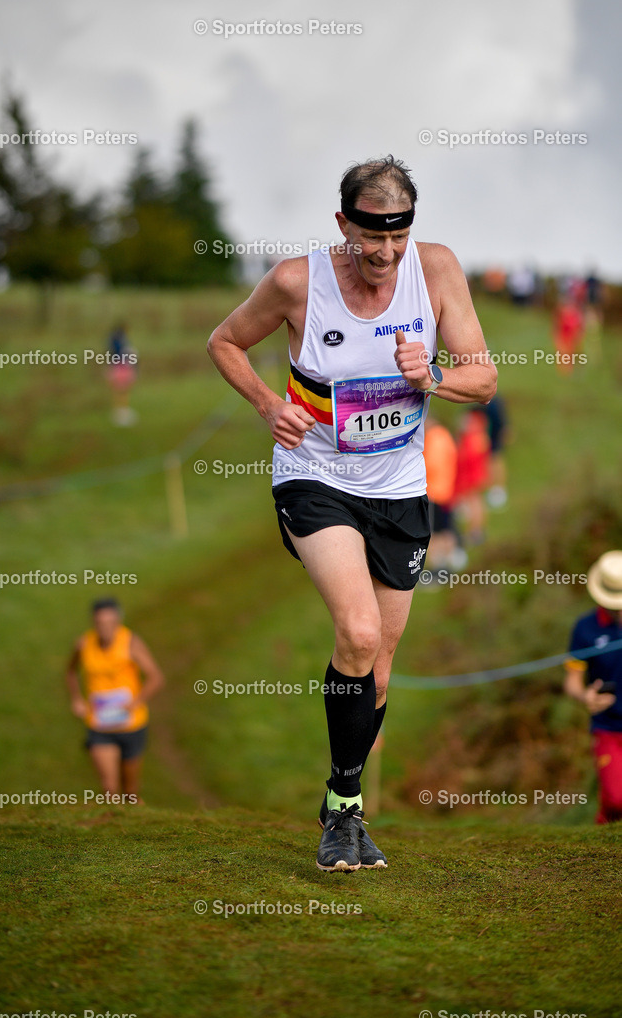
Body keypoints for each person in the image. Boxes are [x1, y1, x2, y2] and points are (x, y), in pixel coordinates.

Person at [207, 155, 497, 871]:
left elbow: (483, 378)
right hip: (316, 476)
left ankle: (347, 804)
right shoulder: (295, 283)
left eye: (399, 237)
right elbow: (225, 341)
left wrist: (429, 376)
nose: (387, 254)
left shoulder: (435, 272)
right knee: (359, 632)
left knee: (381, 664)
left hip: (397, 484)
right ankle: (340, 813)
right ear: (343, 224)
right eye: (373, 239)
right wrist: (268, 404)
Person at [65, 598, 165, 803]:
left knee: (130, 792)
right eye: (100, 623)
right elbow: (71, 672)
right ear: (93, 623)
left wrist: (135, 702)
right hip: (99, 725)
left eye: (110, 623)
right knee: (109, 789)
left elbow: (156, 677)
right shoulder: (84, 644)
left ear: (118, 621)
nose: (105, 629)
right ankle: (110, 829)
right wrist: (77, 699)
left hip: (131, 724)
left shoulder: (131, 643)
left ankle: (137, 827)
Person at [564, 551, 622, 824]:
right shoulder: (585, 628)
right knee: (616, 800)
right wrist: (585, 695)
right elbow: (572, 680)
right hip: (608, 727)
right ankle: (604, 822)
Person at [422, 414, 464, 578]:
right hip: (446, 488)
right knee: (445, 528)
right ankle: (446, 565)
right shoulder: (445, 435)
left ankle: (438, 568)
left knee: (433, 532)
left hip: (434, 491)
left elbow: (431, 464)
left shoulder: (435, 437)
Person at [452, 406, 490, 545]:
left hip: (473, 474)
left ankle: (476, 531)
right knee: (475, 502)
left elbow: (469, 455)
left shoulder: (474, 433)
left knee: (475, 502)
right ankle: (475, 531)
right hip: (476, 473)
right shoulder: (480, 431)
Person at [106, 323, 138, 426]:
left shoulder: (112, 339)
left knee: (117, 390)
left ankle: (118, 411)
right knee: (124, 391)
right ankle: (122, 412)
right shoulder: (122, 341)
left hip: (115, 366)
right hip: (123, 367)